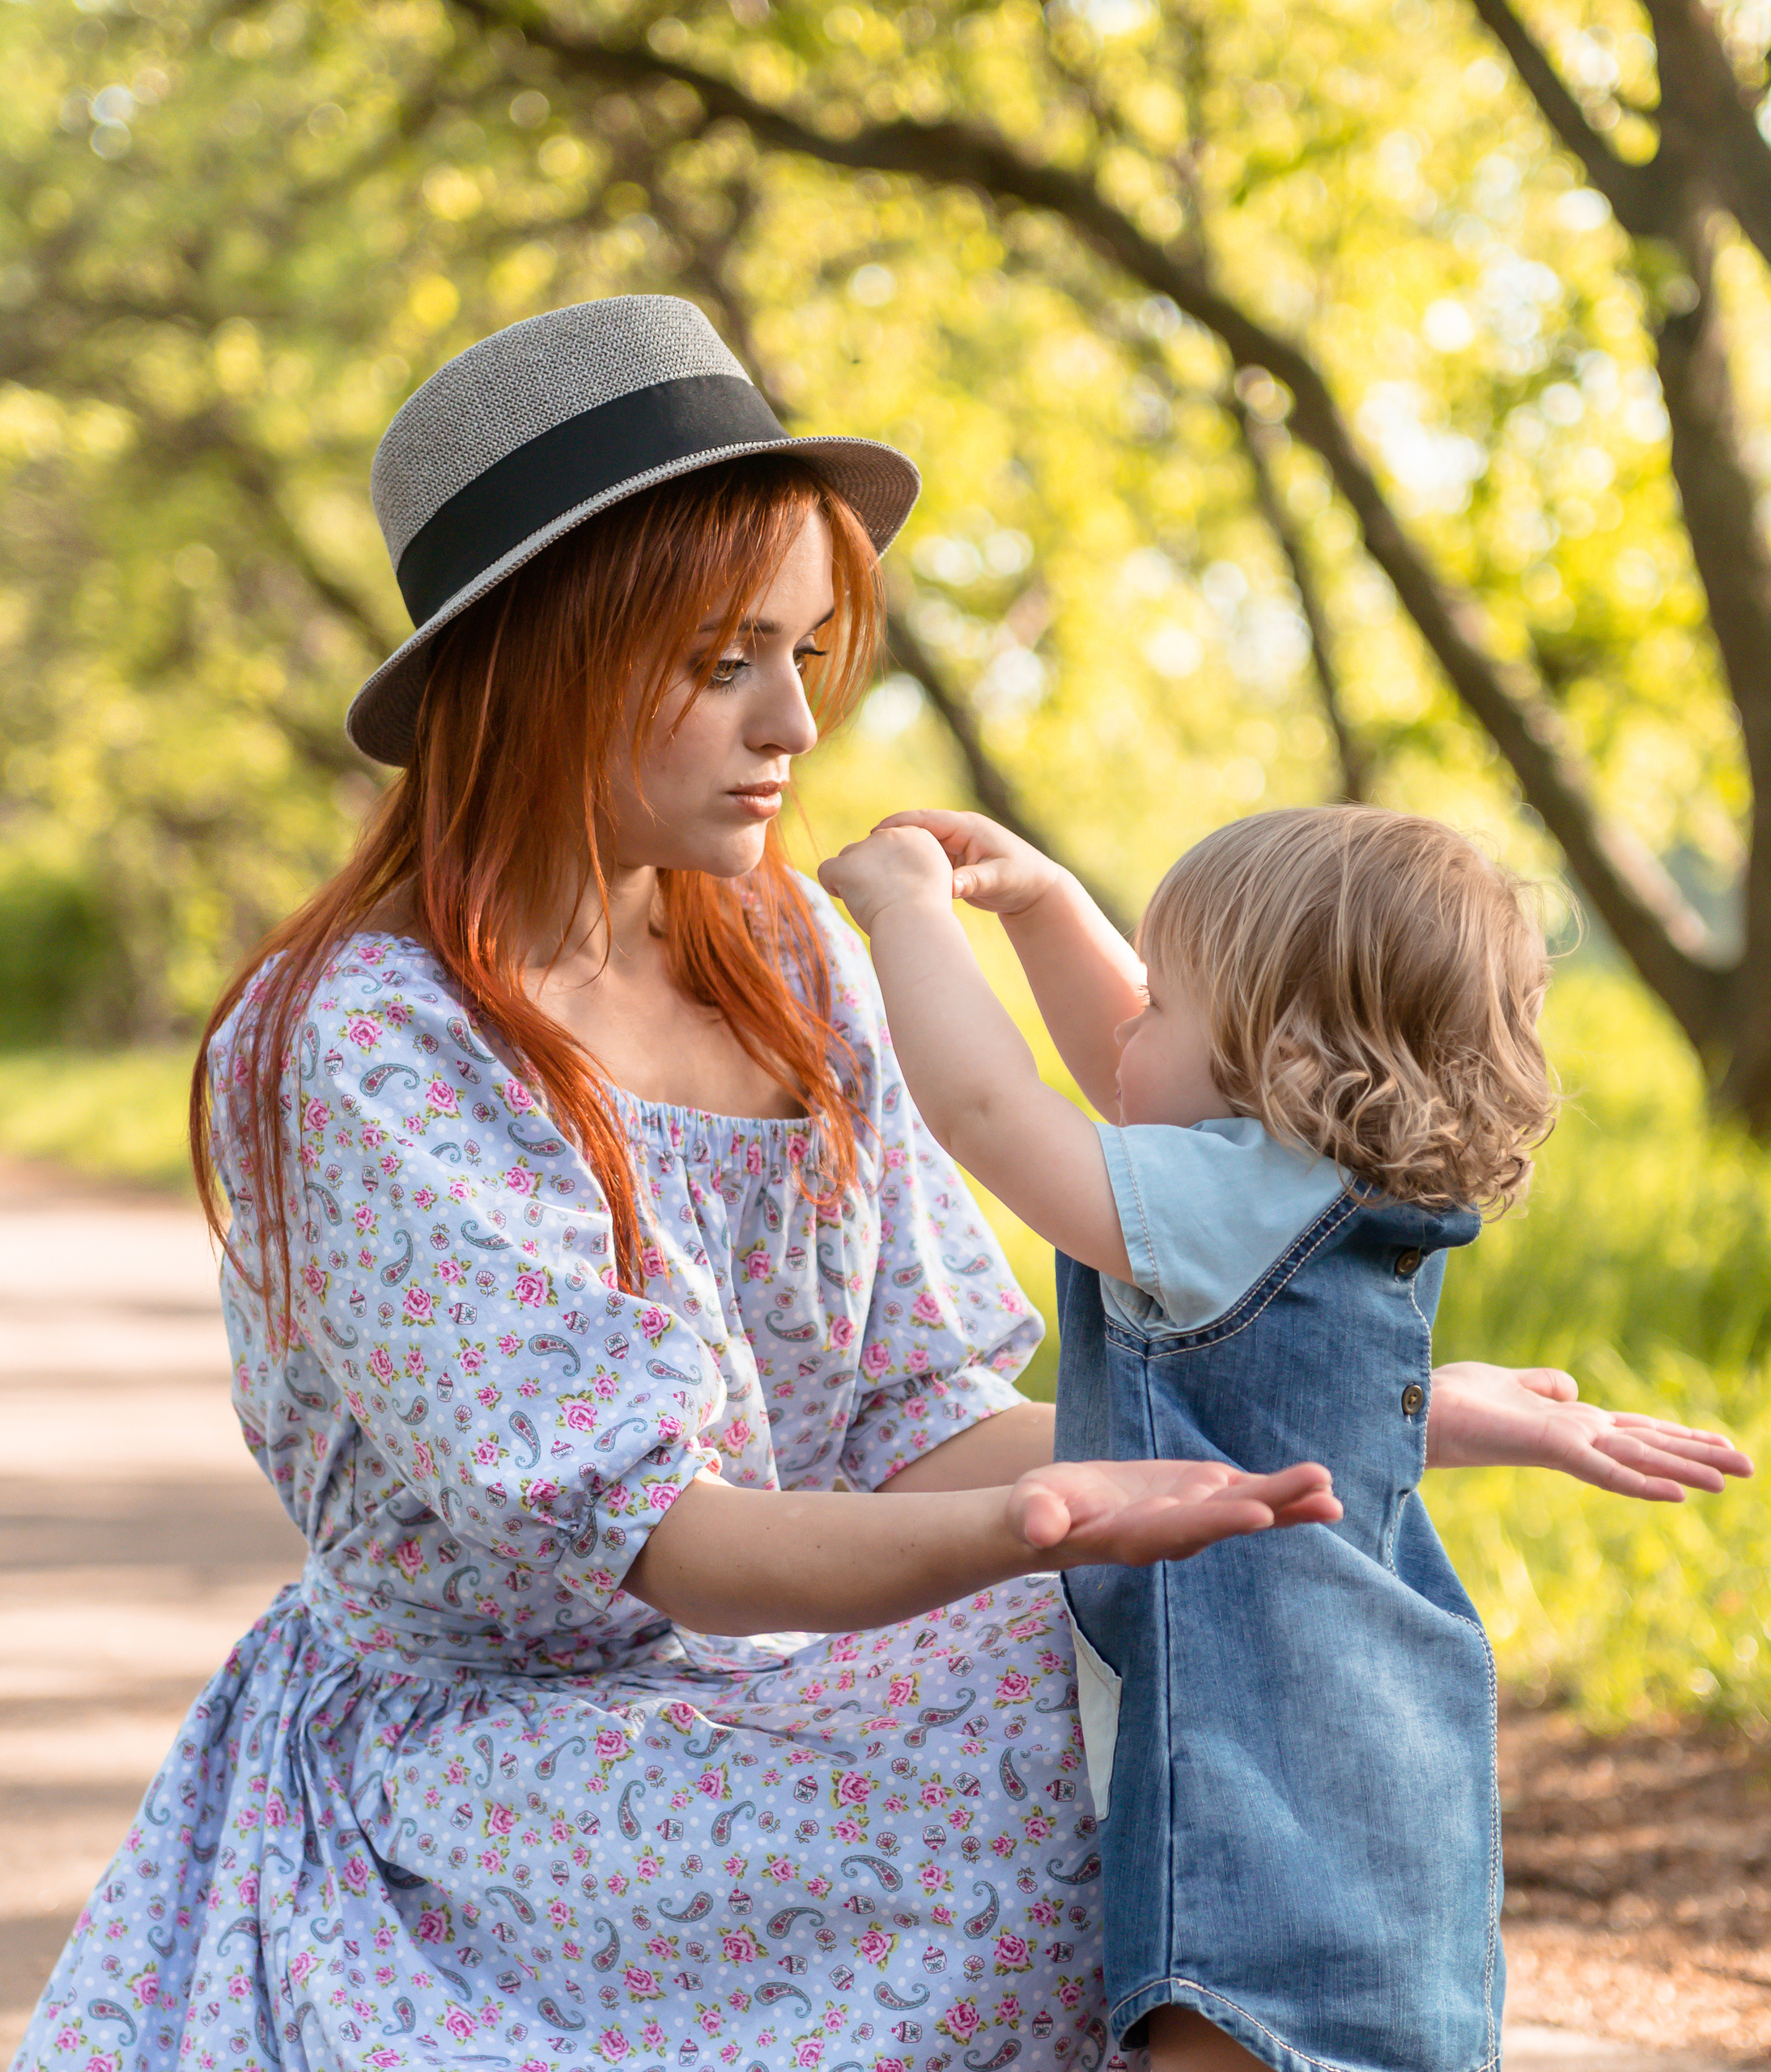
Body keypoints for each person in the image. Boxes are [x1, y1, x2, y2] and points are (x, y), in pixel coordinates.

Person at [11, 297, 1750, 2072]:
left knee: (1242, 1596)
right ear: (537, 661)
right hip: (501, 1761)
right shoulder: (366, 1044)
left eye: (808, 647)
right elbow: (670, 1543)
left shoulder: (786, 949)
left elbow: (912, 1418)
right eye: (720, 661)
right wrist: (1056, 1527)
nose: (795, 720)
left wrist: (1337, 1428)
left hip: (771, 1680)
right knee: (1097, 1648)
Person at [822, 804, 1739, 2072]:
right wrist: (1041, 906)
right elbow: (1143, 1077)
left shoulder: (1223, 1211)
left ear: (1282, 1062)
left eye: (1162, 1001)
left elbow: (989, 1110)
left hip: (1255, 1768)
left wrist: (909, 912)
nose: (1128, 1024)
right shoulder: (1327, 1183)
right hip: (1382, 1754)